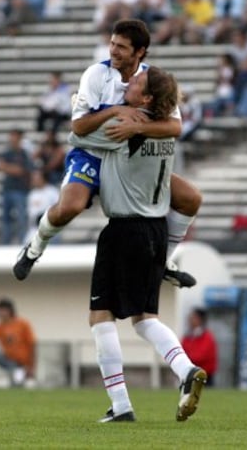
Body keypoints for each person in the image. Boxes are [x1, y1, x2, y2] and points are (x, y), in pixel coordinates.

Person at [13, 19, 202, 288]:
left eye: (121, 47)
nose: (113, 51)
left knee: (190, 199)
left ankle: (164, 263)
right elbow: (78, 127)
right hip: (92, 155)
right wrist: (115, 111)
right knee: (70, 207)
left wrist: (137, 128)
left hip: (130, 160)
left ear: (140, 52)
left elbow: (175, 126)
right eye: (112, 44)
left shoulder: (153, 81)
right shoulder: (95, 75)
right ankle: (34, 248)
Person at [72, 65, 207, 422]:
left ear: (146, 99)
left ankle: (121, 406)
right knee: (145, 318)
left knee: (101, 315)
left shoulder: (124, 127)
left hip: (124, 229)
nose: (129, 82)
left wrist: (84, 107)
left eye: (136, 83)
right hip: (156, 229)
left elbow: (78, 135)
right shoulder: (162, 130)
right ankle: (186, 370)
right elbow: (171, 125)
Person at [0, 128, 34, 244]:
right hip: (7, 189)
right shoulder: (7, 152)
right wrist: (13, 169)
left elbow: (22, 170)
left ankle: (22, 242)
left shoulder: (24, 153)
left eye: (14, 136)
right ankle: (5, 243)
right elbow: (1, 166)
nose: (12, 139)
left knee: (21, 219)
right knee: (6, 219)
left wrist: (9, 168)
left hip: (20, 190)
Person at [181, 308, 218, 386]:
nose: (190, 320)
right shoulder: (188, 336)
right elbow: (181, 350)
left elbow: (200, 356)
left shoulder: (207, 337)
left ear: (200, 320)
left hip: (205, 376)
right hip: (190, 375)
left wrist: (185, 359)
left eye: (193, 317)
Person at [26, 170, 59, 243]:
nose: (34, 181)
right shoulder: (32, 194)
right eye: (33, 179)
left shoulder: (52, 191)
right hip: (34, 229)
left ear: (43, 178)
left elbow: (58, 209)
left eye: (36, 178)